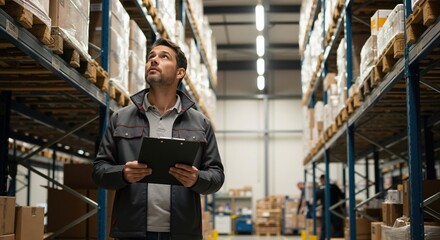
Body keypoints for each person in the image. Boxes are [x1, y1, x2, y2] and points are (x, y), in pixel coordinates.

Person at [92, 38, 225, 240]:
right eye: (150, 57)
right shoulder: (121, 118)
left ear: (180, 72)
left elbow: (216, 176)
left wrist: (197, 179)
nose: (154, 61)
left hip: (182, 233)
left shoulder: (200, 123)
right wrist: (123, 173)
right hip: (132, 232)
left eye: (164, 57)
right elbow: (99, 170)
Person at [316, 174, 344, 240]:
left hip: (326, 211)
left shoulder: (319, 189)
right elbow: (342, 196)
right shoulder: (334, 187)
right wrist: (343, 206)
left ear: (321, 180)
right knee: (338, 229)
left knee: (324, 229)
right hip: (335, 210)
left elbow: (315, 200)